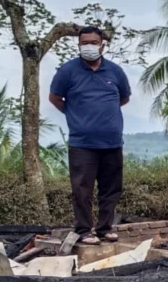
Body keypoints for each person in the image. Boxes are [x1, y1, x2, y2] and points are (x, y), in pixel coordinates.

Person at [49, 26, 131, 245]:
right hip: (82, 143)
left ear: (102, 44)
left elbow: (123, 98)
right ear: (78, 44)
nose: (89, 46)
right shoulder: (67, 71)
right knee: (82, 189)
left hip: (112, 141)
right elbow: (55, 98)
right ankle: (84, 229)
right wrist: (75, 115)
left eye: (93, 42)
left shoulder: (115, 71)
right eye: (84, 42)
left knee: (111, 188)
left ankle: (105, 227)